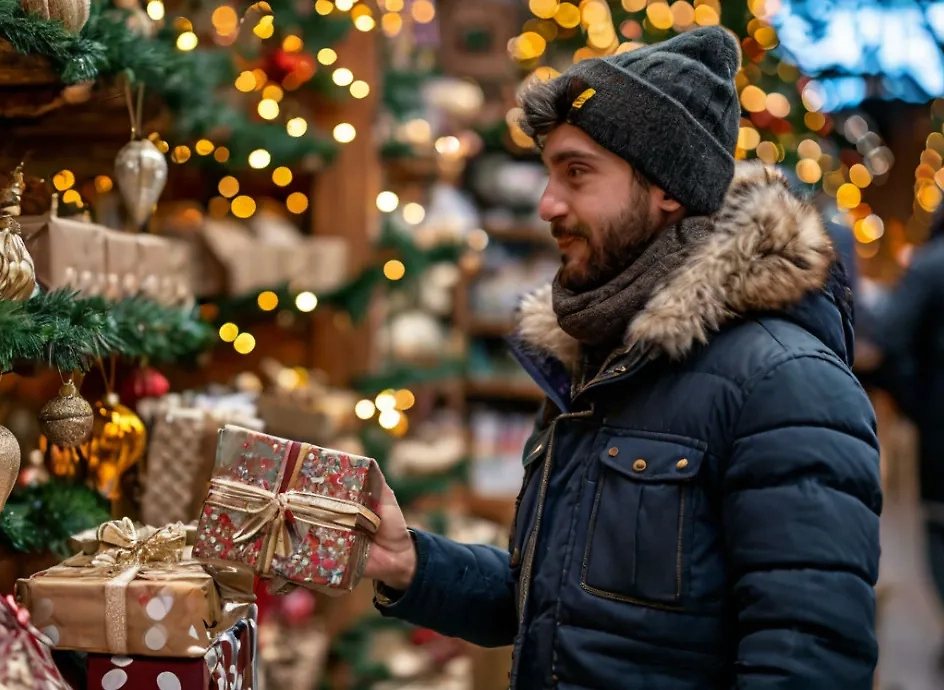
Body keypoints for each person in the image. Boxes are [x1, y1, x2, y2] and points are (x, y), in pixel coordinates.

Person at [364, 26, 882, 689]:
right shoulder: (599, 361)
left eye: (577, 172)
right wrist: (412, 563)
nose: (548, 203)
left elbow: (808, 665)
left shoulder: (786, 383)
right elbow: (561, 605)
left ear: (667, 186)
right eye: (549, 172)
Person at [874, 206, 944, 657]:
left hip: (940, 423)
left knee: (939, 526)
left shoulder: (931, 264)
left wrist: (912, 399)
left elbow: (888, 339)